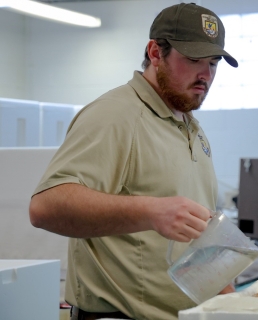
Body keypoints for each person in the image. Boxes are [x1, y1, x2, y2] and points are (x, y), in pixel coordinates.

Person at [29, 3, 238, 320]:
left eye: (212, 63)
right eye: (193, 60)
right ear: (155, 52)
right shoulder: (115, 115)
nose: (205, 75)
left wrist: (230, 299)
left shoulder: (190, 126)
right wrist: (153, 211)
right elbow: (46, 207)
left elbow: (199, 233)